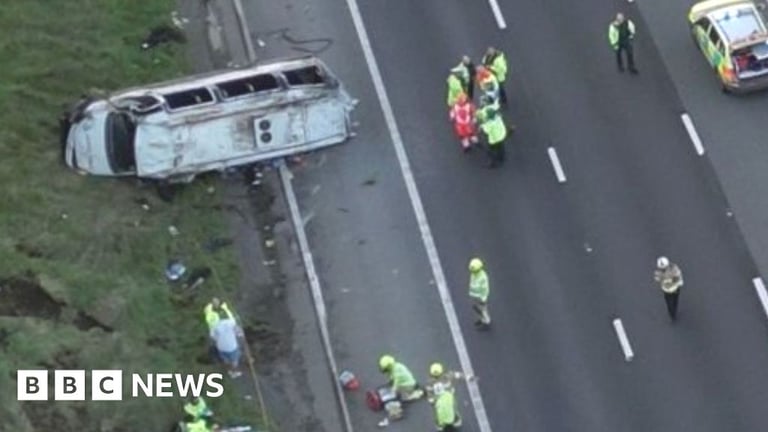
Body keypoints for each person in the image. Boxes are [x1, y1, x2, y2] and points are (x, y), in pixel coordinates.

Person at [376, 354, 423, 427]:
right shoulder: (396, 366)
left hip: (408, 385)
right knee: (394, 390)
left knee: (404, 398)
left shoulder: (396, 371)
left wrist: (392, 392)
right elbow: (392, 378)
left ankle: (418, 393)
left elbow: (396, 383)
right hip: (405, 382)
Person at [476, 103, 508, 168]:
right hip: (501, 135)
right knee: (501, 147)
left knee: (491, 150)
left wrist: (481, 126)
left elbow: (486, 131)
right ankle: (501, 157)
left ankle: (493, 163)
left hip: (494, 139)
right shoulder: (498, 117)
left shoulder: (490, 124)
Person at [654, 256, 683, 321]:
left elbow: (678, 276)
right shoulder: (658, 272)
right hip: (666, 290)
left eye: (664, 268)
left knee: (675, 301)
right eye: (661, 268)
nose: (663, 269)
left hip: (675, 288)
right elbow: (657, 279)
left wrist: (672, 280)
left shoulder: (674, 268)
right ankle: (672, 314)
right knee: (669, 303)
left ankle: (674, 311)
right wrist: (663, 280)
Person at [468, 258, 491, 327]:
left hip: (480, 297)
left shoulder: (482, 277)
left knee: (482, 309)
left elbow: (484, 289)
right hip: (475, 296)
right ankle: (483, 319)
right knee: (476, 307)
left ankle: (486, 321)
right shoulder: (474, 274)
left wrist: (482, 299)